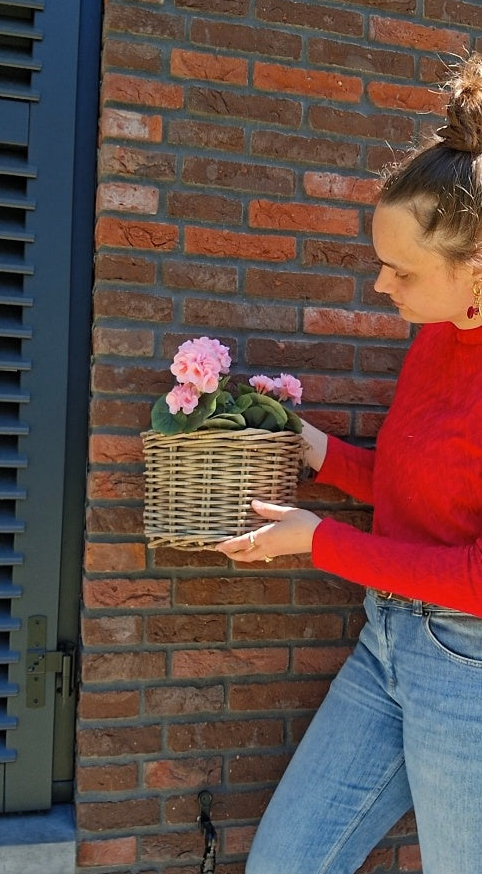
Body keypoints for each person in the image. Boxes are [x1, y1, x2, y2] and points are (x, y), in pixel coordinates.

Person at [215, 53, 482, 874]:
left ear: (475, 272)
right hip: (388, 640)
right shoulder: (437, 334)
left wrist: (318, 540)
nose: (380, 284)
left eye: (401, 270)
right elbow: (416, 491)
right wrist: (316, 448)